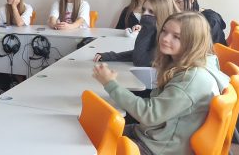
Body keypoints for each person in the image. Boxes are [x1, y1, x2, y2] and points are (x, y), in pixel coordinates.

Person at [93, 12, 229, 155]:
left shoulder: (191, 80)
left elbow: (149, 114)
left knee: (93, 139)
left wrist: (110, 84)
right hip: (153, 136)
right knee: (98, 128)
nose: (165, 38)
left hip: (157, 148)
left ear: (193, 41)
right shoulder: (195, 63)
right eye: (164, 31)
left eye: (176, 36)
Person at [95, 0, 179, 66]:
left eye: (151, 11)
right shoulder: (155, 30)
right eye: (144, 10)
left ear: (162, 14)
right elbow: (140, 53)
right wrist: (111, 56)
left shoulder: (167, 38)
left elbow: (140, 60)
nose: (145, 14)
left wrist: (146, 27)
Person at [0, 0, 33, 92]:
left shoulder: (28, 8)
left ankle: (19, 83)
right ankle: (7, 84)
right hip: (8, 42)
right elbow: (2, 30)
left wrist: (14, 6)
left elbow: (20, 23)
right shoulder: (2, 9)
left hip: (24, 43)